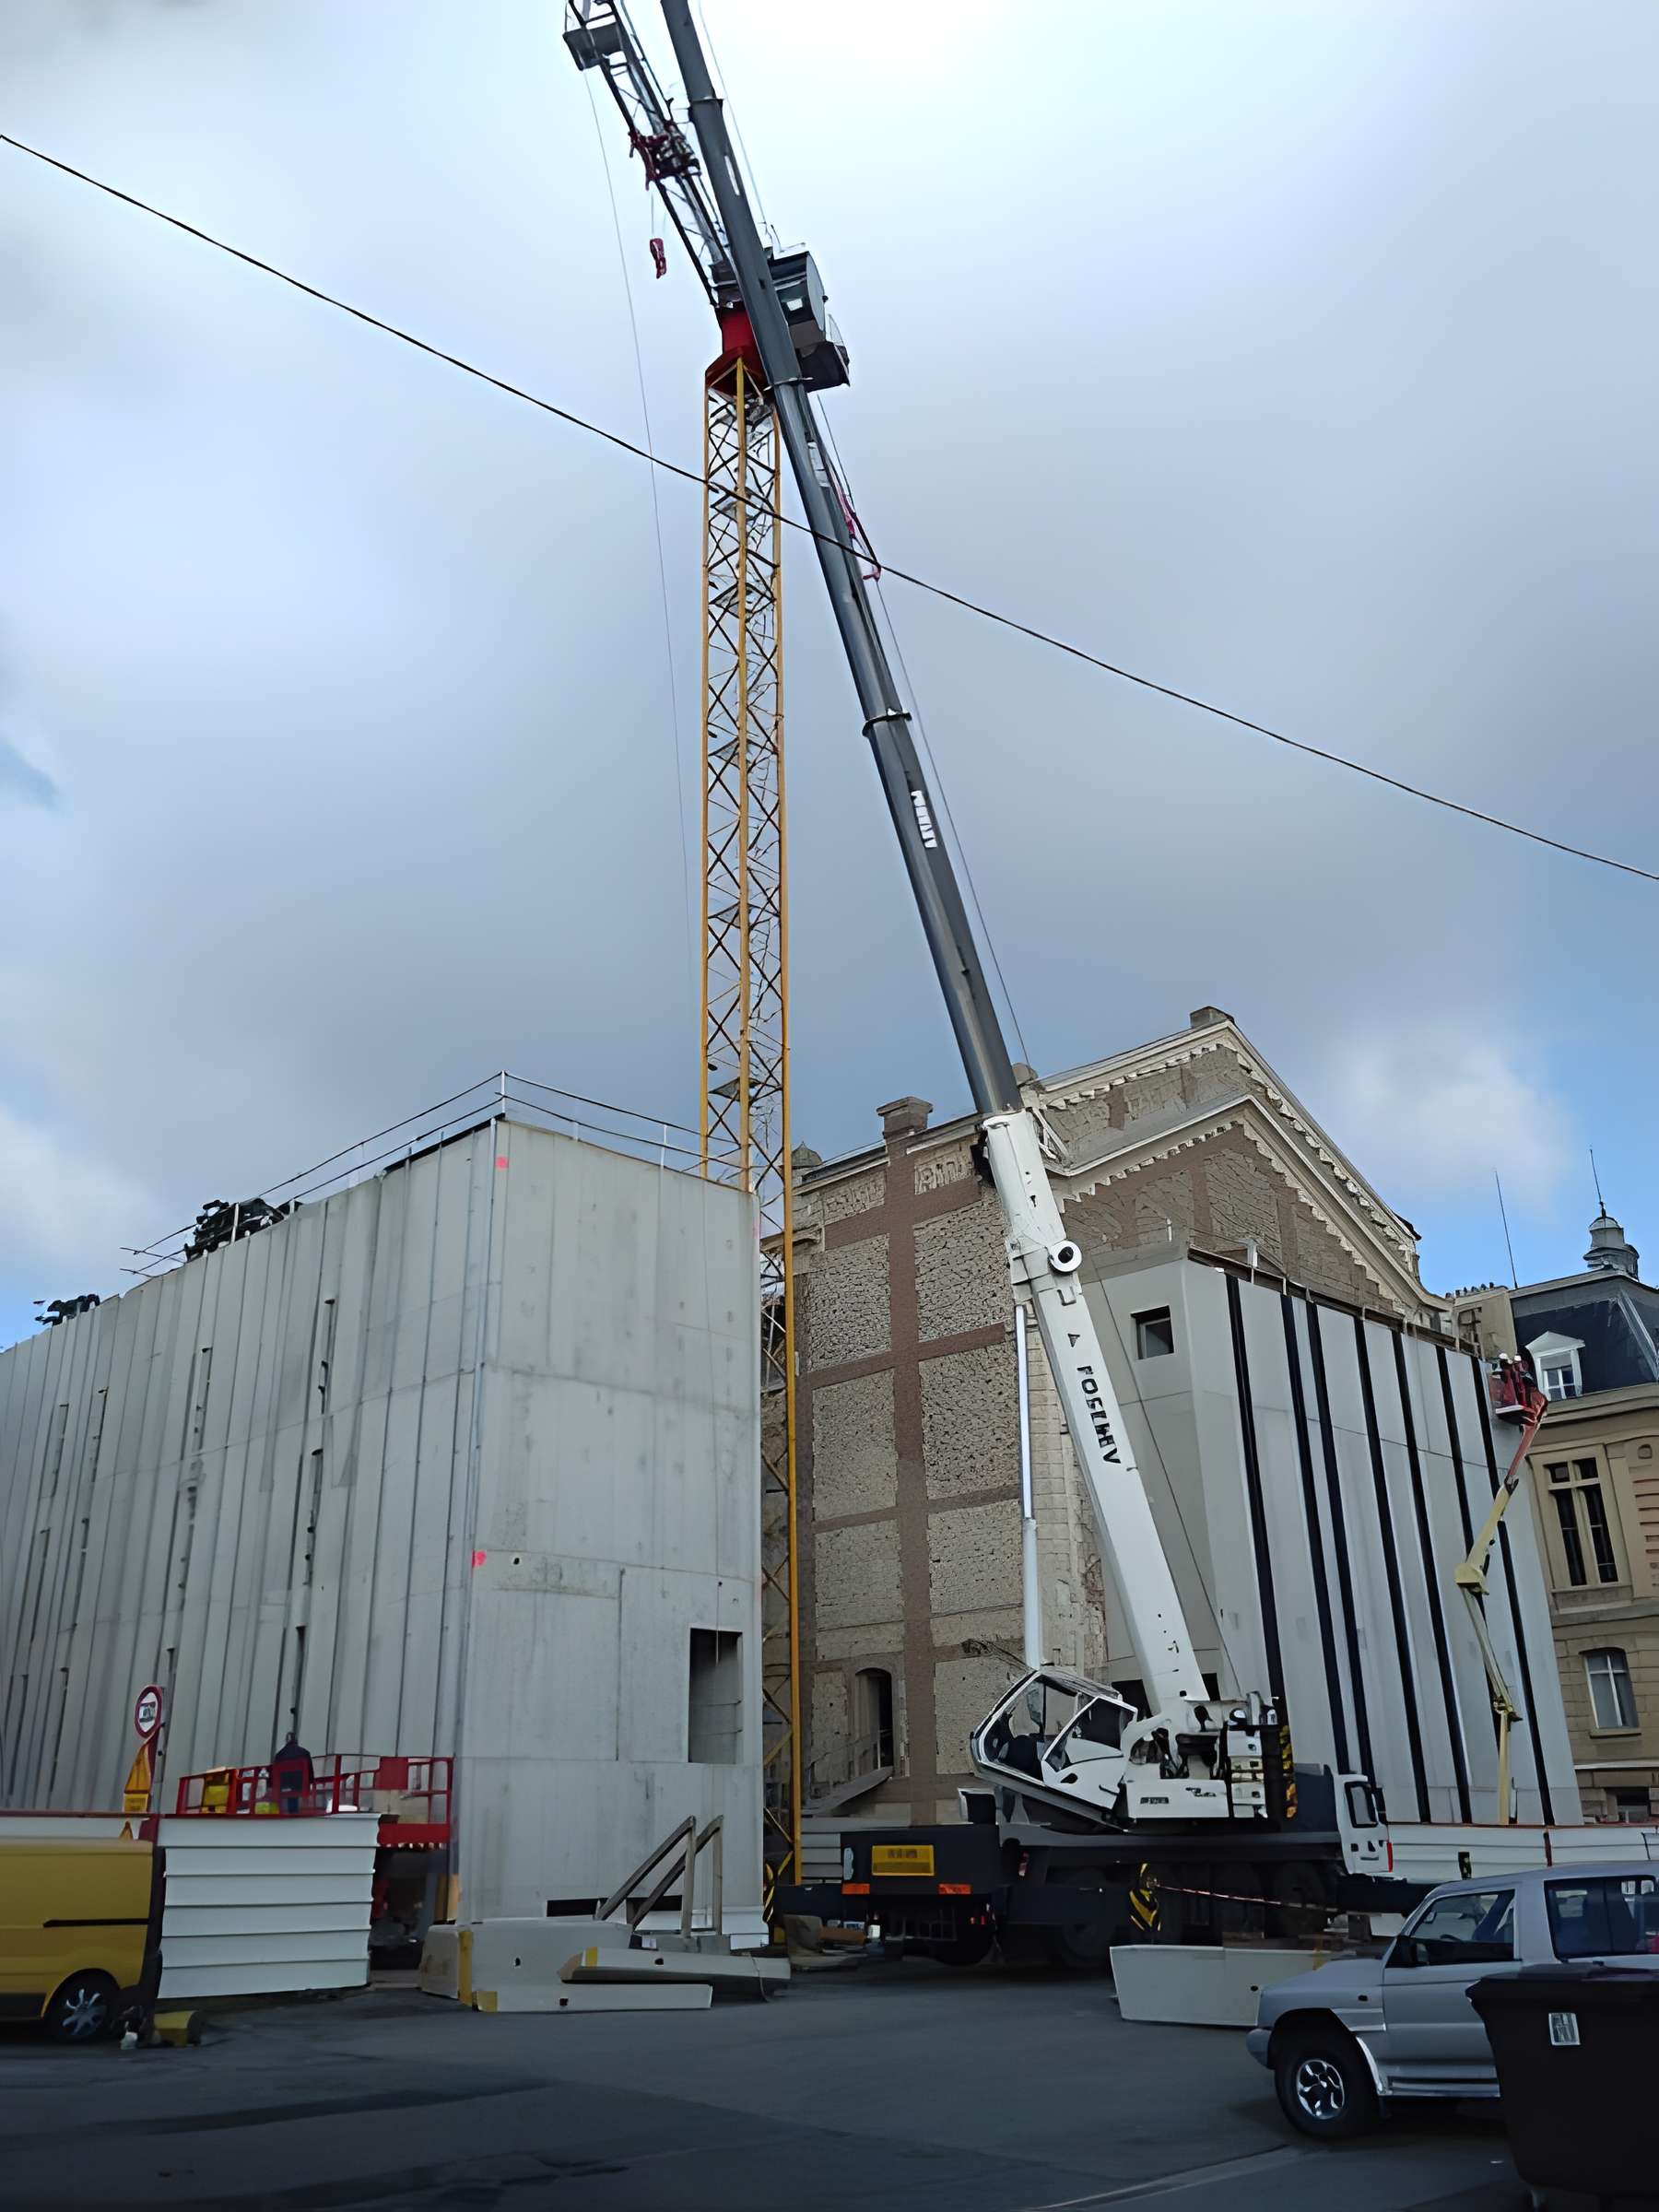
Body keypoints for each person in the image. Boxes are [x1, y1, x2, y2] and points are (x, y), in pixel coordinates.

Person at [272, 1729, 313, 1816]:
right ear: (296, 1740)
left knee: (290, 1789)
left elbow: (274, 1774)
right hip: (300, 1786)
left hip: (283, 1787)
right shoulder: (305, 1753)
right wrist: (311, 1782)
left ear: (286, 1741)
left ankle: (288, 1813)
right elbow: (310, 1772)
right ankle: (297, 1813)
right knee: (295, 1786)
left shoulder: (279, 1755)